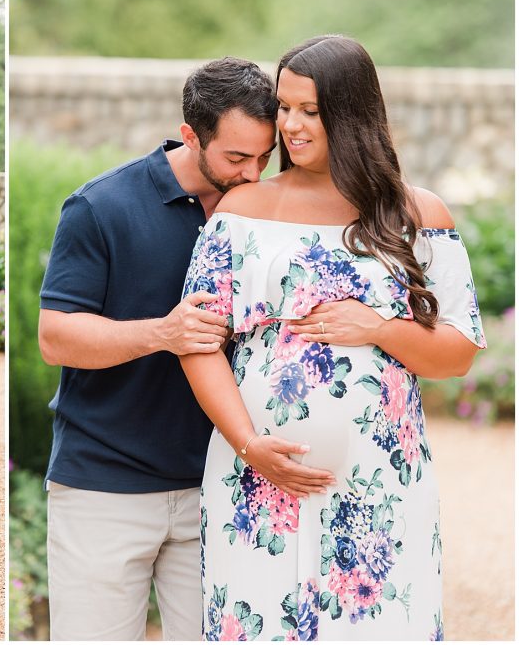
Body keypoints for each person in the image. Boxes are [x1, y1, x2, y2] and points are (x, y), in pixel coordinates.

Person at [180, 35, 486, 640]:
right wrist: (248, 444)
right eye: (283, 106)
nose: (288, 126)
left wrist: (378, 327)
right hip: (257, 481)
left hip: (382, 487)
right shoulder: (244, 209)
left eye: (309, 111)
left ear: (351, 114)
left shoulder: (418, 215)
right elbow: (199, 341)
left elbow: (458, 353)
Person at [37, 57, 336, 641]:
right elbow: (56, 338)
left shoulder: (269, 217)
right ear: (191, 134)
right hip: (104, 484)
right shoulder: (101, 207)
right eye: (234, 158)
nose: (252, 174)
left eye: (263, 156)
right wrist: (162, 333)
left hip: (223, 483)